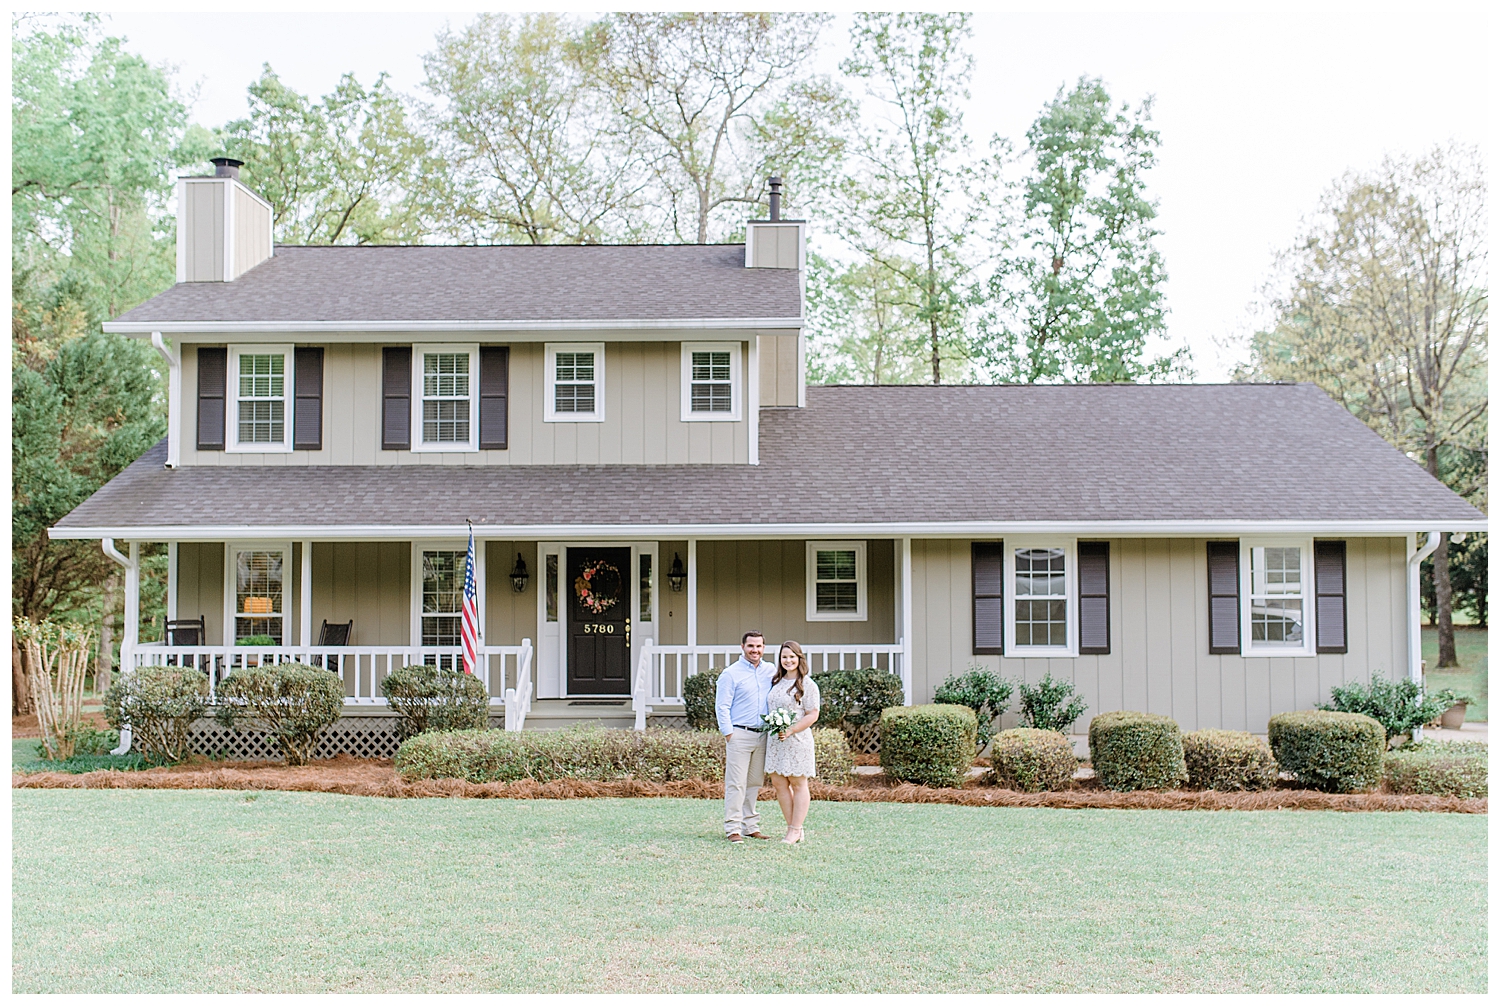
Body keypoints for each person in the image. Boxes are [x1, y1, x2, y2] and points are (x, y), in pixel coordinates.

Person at [715, 630, 776, 842]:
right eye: (751, 646)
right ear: (742, 647)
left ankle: (750, 826)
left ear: (764, 648)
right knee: (736, 783)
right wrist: (728, 733)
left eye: (758, 646)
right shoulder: (731, 674)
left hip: (763, 735)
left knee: (754, 782)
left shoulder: (770, 671)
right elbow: (722, 706)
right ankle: (733, 828)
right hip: (739, 734)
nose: (755, 650)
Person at [764, 640, 820, 844]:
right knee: (779, 783)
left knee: (798, 783)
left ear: (799, 658)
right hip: (776, 740)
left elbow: (812, 714)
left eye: (792, 657)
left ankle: (795, 830)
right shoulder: (776, 681)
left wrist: (791, 729)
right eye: (784, 657)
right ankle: (794, 828)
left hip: (797, 739)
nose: (788, 660)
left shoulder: (808, 684)